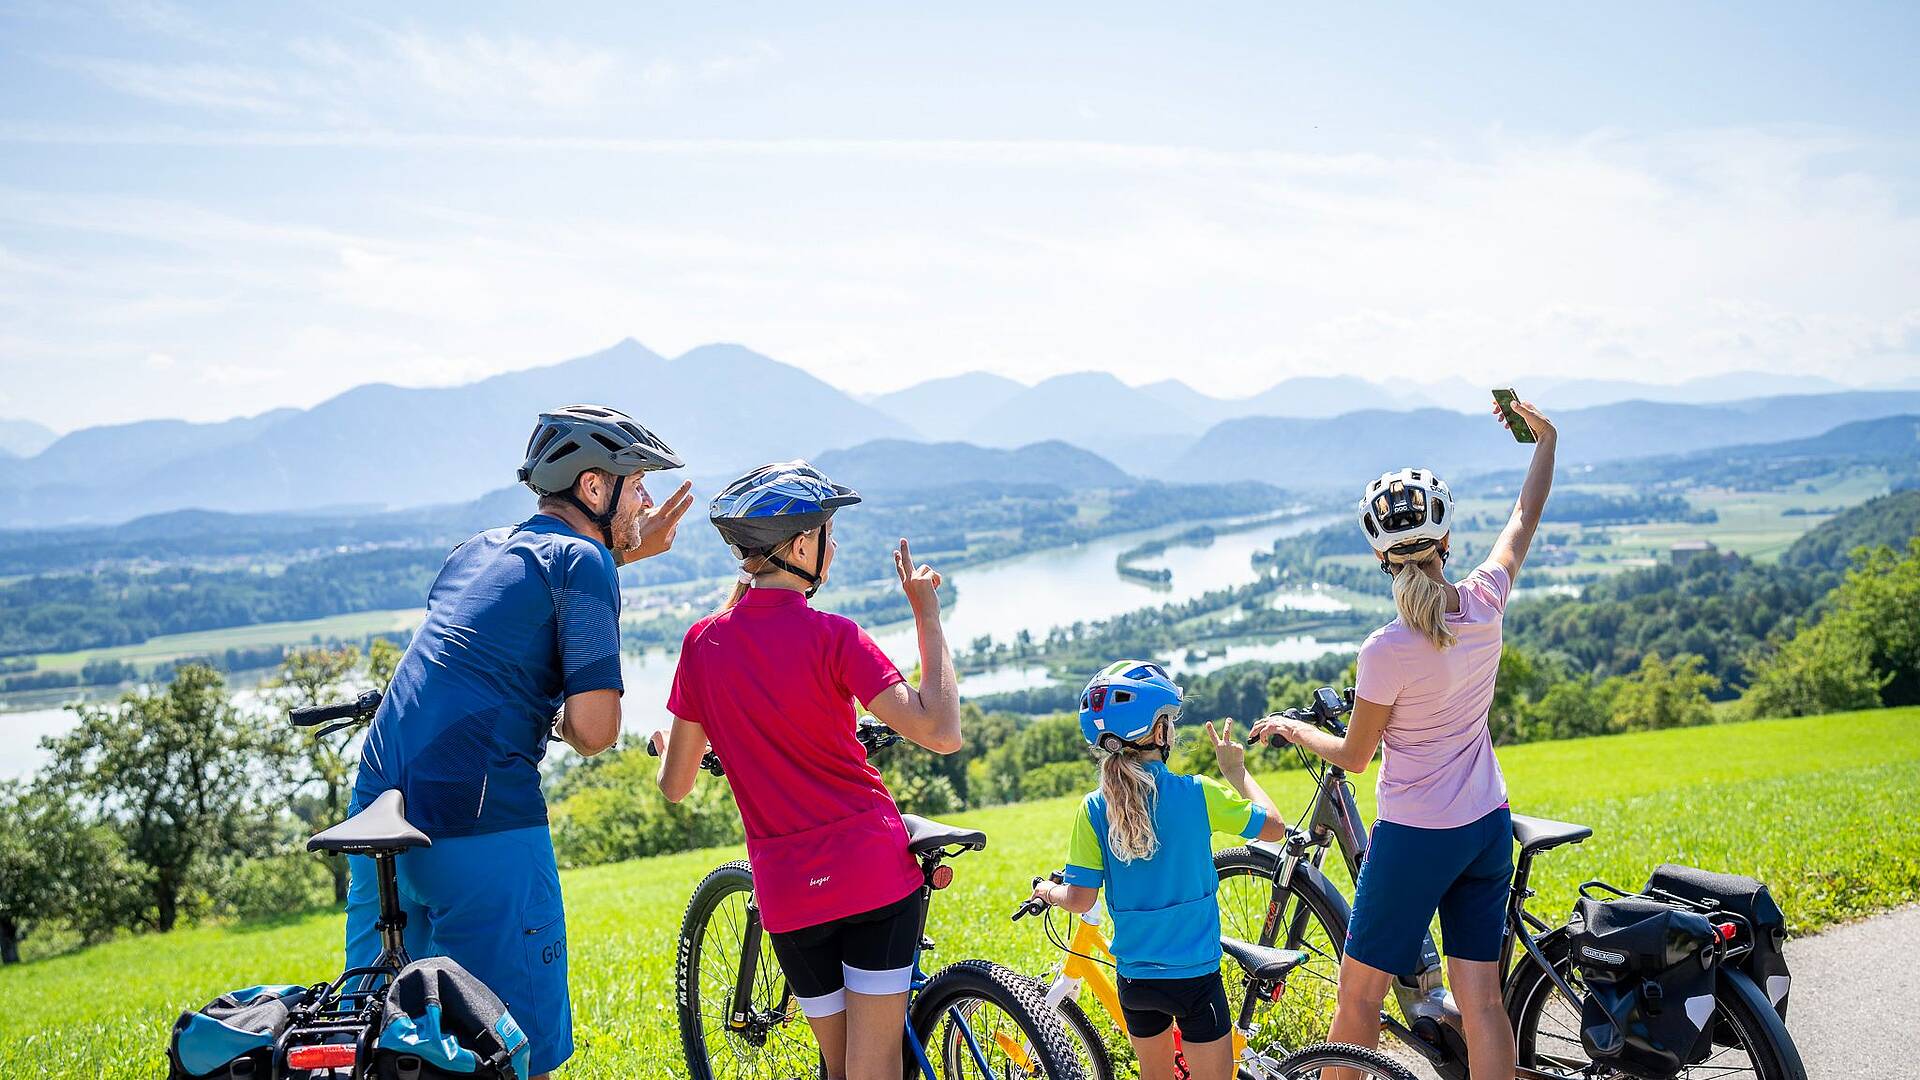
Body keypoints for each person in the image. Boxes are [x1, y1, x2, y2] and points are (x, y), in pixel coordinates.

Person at [346, 404, 695, 1079]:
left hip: (374, 812)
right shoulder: (585, 561)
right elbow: (596, 731)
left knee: (383, 1041)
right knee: (512, 1050)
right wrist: (555, 718)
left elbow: (507, 617)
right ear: (594, 487)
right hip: (479, 821)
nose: (648, 499)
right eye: (638, 480)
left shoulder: (474, 549)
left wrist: (616, 548)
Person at [1251, 398, 1558, 1080]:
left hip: (1417, 835)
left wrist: (1297, 730)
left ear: (1383, 557)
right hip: (1486, 823)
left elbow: (1355, 758)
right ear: (1446, 541)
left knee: (1359, 995)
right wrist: (1545, 441)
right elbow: (1522, 519)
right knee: (1481, 1001)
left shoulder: (1385, 650)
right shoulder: (1484, 603)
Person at [653, 460, 961, 1080]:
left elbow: (677, 785)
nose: (834, 544)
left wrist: (669, 749)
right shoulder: (835, 637)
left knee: (842, 1067)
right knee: (875, 1066)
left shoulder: (701, 646)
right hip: (872, 872)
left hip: (791, 895)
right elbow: (941, 731)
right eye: (826, 531)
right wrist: (926, 614)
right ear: (798, 545)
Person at [1029, 660, 1290, 1080]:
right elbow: (1274, 827)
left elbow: (1079, 899)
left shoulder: (1093, 809)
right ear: (1160, 731)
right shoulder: (1198, 793)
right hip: (1196, 979)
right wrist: (1237, 773)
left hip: (1135, 983)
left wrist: (1045, 890)